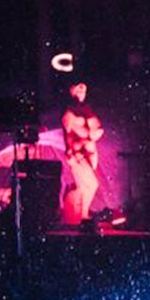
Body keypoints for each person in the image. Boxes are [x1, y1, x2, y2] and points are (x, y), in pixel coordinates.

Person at [61, 81, 104, 225]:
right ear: (72, 91)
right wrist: (70, 153)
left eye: (84, 91)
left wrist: (92, 135)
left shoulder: (86, 110)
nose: (82, 93)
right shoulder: (69, 112)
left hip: (89, 152)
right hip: (78, 153)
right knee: (92, 183)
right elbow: (67, 135)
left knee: (86, 185)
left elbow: (97, 128)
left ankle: (80, 214)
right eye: (79, 90)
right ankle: (82, 212)